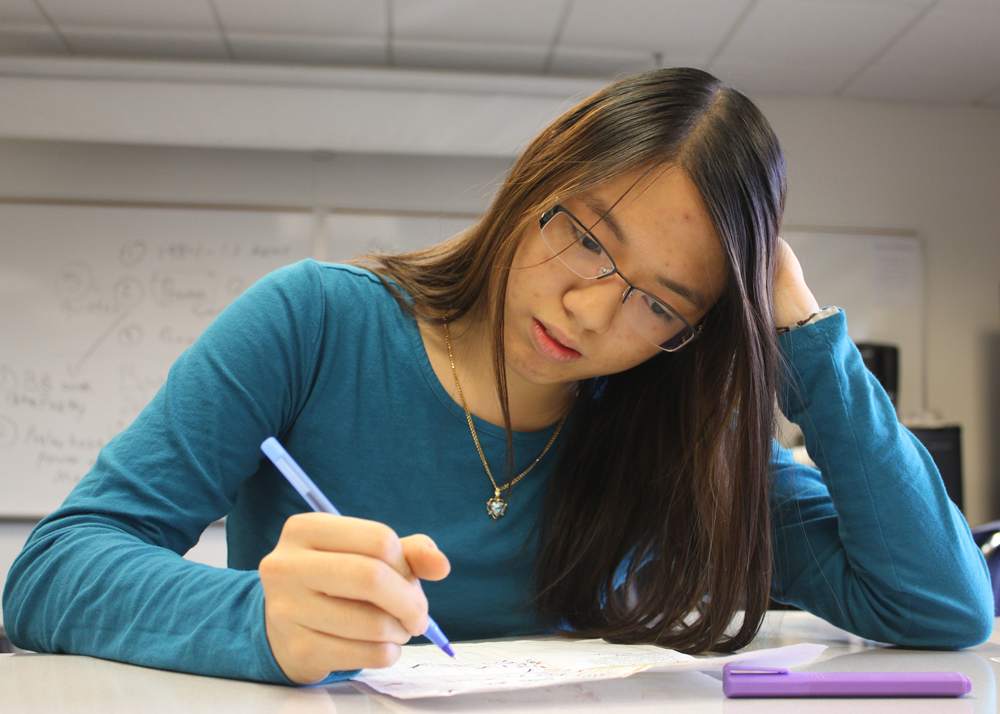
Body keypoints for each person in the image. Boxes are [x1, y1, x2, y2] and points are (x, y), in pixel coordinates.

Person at [3, 68, 992, 685]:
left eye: (658, 302)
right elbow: (50, 573)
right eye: (585, 239)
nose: (590, 310)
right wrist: (255, 620)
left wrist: (805, 331)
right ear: (535, 183)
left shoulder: (670, 435)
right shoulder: (311, 321)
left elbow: (944, 606)